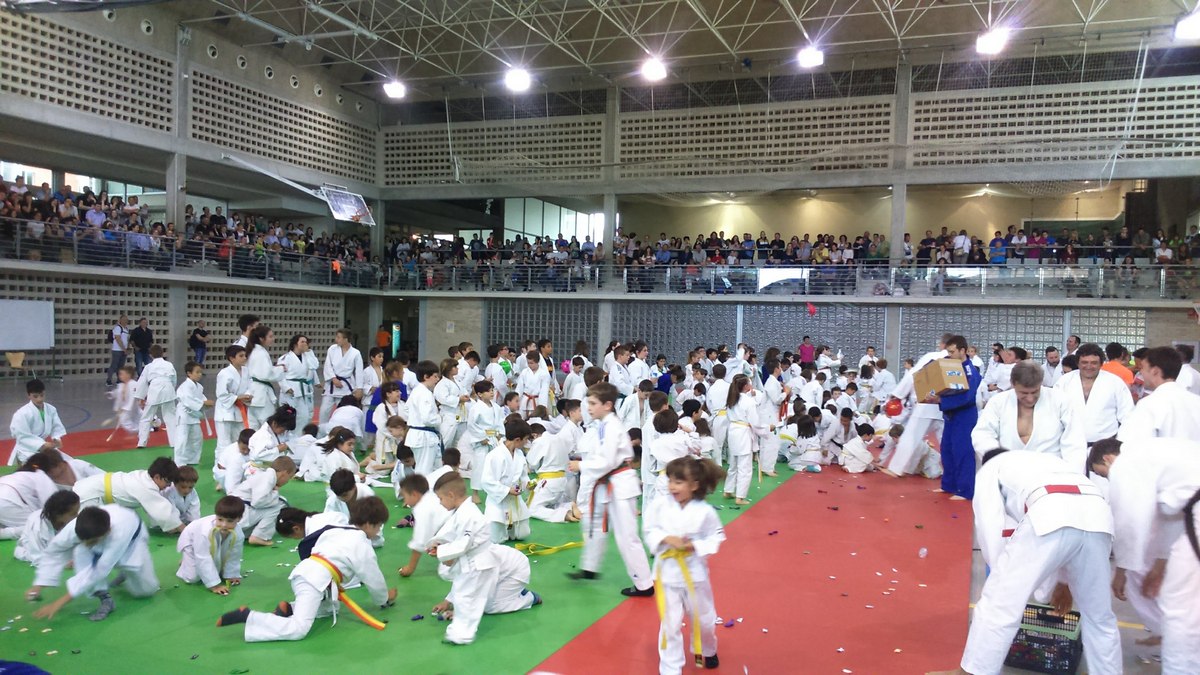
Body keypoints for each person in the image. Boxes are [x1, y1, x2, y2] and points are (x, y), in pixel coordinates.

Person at [932, 450, 1121, 675]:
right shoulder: (1046, 461)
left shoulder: (990, 470)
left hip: (1050, 510)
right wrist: (1063, 584)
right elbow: (1072, 529)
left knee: (999, 604)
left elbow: (992, 527)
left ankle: (972, 673)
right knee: (1099, 617)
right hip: (1099, 517)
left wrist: (1002, 574)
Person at [1088, 438, 1200, 673]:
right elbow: (1173, 518)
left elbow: (1129, 524)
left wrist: (1121, 572)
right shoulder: (1154, 453)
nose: (1108, 479)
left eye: (1103, 474)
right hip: (1192, 513)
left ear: (1108, 459)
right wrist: (1159, 565)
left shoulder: (1125, 464)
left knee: (1178, 609)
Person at [218, 496, 396, 640]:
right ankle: (249, 616)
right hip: (314, 580)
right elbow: (372, 577)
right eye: (379, 526)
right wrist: (384, 599)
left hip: (311, 573)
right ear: (369, 524)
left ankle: (291, 608)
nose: (378, 531)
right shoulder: (361, 543)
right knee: (298, 629)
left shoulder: (337, 529)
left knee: (330, 608)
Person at [428, 474, 541, 645]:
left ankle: (528, 598)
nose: (440, 503)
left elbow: (464, 545)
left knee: (484, 604)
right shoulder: (463, 512)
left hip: (515, 570)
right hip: (494, 566)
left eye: (440, 498)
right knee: (467, 593)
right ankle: (460, 630)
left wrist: (441, 550)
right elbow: (461, 579)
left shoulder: (470, 515)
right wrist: (448, 601)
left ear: (451, 495)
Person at [568, 382, 654, 597]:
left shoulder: (612, 426)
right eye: (588, 403)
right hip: (608, 483)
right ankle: (589, 568)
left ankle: (645, 584)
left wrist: (582, 466)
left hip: (620, 485)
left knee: (627, 536)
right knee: (594, 524)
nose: (588, 408)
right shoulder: (604, 424)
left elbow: (607, 461)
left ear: (607, 405)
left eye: (593, 403)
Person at [644, 457, 726, 673]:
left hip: (695, 574)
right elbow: (649, 529)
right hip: (667, 574)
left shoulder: (705, 511)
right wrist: (665, 538)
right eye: (671, 480)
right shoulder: (660, 505)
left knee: (704, 620)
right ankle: (671, 668)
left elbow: (716, 536)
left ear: (694, 485)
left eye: (679, 482)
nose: (672, 486)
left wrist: (694, 546)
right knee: (670, 624)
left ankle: (708, 649)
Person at [28, 504, 160, 621]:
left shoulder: (119, 533)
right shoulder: (77, 527)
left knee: (145, 591)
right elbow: (54, 550)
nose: (88, 544)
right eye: (85, 540)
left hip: (132, 541)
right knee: (81, 551)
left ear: (108, 531)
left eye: (92, 541)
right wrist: (40, 583)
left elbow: (100, 570)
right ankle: (105, 598)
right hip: (101, 536)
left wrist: (59, 602)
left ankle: (125, 571)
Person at [971, 361, 1087, 472]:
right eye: (1024, 393)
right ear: (1012, 384)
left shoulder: (1060, 400)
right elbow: (982, 434)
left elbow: (1074, 440)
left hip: (1052, 471)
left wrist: (1072, 474)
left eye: (1035, 392)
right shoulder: (998, 402)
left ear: (1041, 383)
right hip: (1008, 469)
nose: (1030, 398)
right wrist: (997, 458)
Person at [885, 334, 950, 475]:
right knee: (947, 443)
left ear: (943, 344)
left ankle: (898, 469)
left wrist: (898, 394)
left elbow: (912, 375)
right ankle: (954, 472)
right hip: (946, 407)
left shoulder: (932, 356)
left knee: (910, 436)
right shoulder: (957, 362)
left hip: (925, 404)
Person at [928, 335, 981, 499]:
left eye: (952, 352)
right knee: (947, 450)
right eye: (948, 352)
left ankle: (965, 491)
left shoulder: (970, 371)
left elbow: (967, 397)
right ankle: (949, 485)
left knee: (962, 452)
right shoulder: (950, 366)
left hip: (965, 415)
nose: (949, 355)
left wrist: (941, 400)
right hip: (951, 414)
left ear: (962, 351)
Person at [73, 456, 184, 533]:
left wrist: (173, 525)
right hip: (90, 494)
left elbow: (157, 506)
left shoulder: (144, 476)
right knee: (88, 529)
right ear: (157, 477)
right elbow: (162, 511)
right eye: (167, 481)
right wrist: (184, 529)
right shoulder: (146, 488)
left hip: (91, 487)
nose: (168, 486)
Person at [1055, 343, 1134, 446]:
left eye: (1094, 363)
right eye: (1084, 362)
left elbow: (1128, 416)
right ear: (1078, 363)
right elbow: (1053, 413)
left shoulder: (1115, 382)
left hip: (1106, 444)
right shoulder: (1064, 382)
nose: (1089, 366)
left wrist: (1121, 442)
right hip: (1069, 443)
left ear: (1101, 364)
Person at [1118, 345, 1200, 442]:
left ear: (1155, 371)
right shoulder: (1196, 401)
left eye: (1143, 368)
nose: (1141, 372)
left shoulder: (1149, 404)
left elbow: (1130, 443)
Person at [526, 399, 584, 523]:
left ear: (534, 435)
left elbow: (532, 463)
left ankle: (564, 513)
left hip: (549, 480)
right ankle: (569, 506)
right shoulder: (557, 438)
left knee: (531, 508)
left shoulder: (540, 441)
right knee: (550, 504)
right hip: (562, 478)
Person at [176, 495, 246, 594]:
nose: (224, 525)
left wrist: (231, 575)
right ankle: (186, 560)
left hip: (203, 545)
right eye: (220, 519)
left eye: (230, 521)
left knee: (218, 564)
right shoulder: (204, 531)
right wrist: (214, 585)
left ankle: (189, 560)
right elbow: (203, 557)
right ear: (216, 516)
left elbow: (234, 555)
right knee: (192, 578)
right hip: (191, 541)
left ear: (239, 519)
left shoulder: (238, 533)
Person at [480, 418, 533, 543]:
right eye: (526, 439)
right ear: (517, 440)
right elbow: (486, 481)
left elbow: (523, 476)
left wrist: (528, 484)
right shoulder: (494, 455)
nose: (527, 442)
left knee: (523, 534)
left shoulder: (519, 454)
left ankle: (511, 529)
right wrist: (507, 490)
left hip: (515, 500)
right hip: (499, 502)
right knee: (496, 539)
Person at [724, 374, 770, 505]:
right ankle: (740, 497)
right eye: (749, 383)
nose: (751, 385)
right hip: (743, 434)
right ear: (745, 386)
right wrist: (768, 428)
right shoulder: (748, 402)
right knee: (745, 467)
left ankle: (728, 490)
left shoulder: (731, 399)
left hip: (733, 431)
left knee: (733, 464)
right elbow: (755, 423)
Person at [231, 456, 297, 546]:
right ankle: (259, 536)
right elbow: (258, 502)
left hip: (238, 512)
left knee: (277, 503)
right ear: (284, 473)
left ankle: (248, 533)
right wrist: (275, 493)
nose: (287, 482)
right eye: (289, 477)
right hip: (240, 514)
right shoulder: (267, 478)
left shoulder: (264, 476)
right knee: (278, 507)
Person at [396, 474, 450, 577]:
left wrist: (410, 568)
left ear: (414, 494)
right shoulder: (432, 496)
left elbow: (420, 541)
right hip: (461, 533)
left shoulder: (422, 508)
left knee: (445, 572)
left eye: (405, 497)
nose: (405, 501)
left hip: (460, 539)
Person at [0, 452, 61, 539]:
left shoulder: (17, 475)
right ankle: (4, 533)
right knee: (42, 526)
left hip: (6, 502)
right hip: (7, 502)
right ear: (50, 468)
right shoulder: (40, 475)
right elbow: (53, 502)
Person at [8, 378, 67, 466]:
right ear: (29, 395)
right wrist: (42, 444)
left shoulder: (51, 409)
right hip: (26, 450)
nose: (39, 399)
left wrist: (56, 438)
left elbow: (56, 427)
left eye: (42, 395)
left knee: (66, 464)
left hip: (44, 449)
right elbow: (21, 436)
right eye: (35, 396)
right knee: (39, 470)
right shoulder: (21, 414)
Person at [15, 490, 80, 565]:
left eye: (77, 512)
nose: (77, 516)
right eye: (73, 514)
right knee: (24, 552)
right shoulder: (38, 529)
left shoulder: (68, 520)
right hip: (30, 543)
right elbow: (37, 557)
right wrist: (62, 562)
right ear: (58, 515)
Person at [134, 345, 178, 449]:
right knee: (171, 417)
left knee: (146, 417)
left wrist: (141, 397)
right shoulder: (169, 365)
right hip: (168, 389)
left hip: (154, 390)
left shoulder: (149, 367)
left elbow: (142, 382)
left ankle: (142, 443)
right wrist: (171, 389)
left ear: (150, 355)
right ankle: (174, 442)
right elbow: (174, 379)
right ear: (162, 353)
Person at [318, 328, 364, 425]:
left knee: (343, 412)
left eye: (339, 337)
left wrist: (359, 388)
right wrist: (333, 378)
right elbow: (328, 365)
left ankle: (342, 431)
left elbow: (359, 371)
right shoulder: (332, 349)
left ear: (346, 339)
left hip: (346, 386)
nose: (336, 339)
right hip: (331, 385)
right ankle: (322, 431)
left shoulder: (355, 353)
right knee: (324, 411)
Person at [325, 469, 382, 547]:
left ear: (354, 487)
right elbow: (328, 522)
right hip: (343, 535)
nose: (342, 498)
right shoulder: (332, 500)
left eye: (345, 495)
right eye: (338, 495)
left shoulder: (367, 495)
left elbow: (375, 521)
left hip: (367, 534)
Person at [405, 360, 443, 475]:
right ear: (426, 377)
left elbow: (406, 410)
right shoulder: (424, 393)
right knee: (424, 470)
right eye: (435, 376)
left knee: (435, 468)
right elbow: (427, 419)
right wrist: (440, 418)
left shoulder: (417, 391)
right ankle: (420, 487)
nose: (437, 379)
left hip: (419, 434)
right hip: (423, 436)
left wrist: (414, 419)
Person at [173, 361, 214, 466]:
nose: (199, 374)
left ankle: (192, 459)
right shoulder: (185, 386)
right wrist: (203, 403)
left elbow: (201, 398)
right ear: (189, 373)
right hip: (184, 416)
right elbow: (188, 400)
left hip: (194, 417)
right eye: (197, 372)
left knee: (197, 438)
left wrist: (207, 403)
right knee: (182, 440)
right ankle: (179, 462)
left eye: (201, 372)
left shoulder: (199, 386)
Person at [245, 325, 285, 430]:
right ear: (261, 338)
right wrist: (281, 369)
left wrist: (276, 369)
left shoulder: (252, 351)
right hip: (262, 395)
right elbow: (267, 374)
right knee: (267, 427)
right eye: (270, 336)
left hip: (252, 393)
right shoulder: (261, 353)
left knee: (253, 428)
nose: (273, 339)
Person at [214, 345, 252, 453]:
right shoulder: (224, 373)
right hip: (225, 411)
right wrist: (237, 397)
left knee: (238, 440)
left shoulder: (246, 371)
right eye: (241, 356)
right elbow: (221, 394)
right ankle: (220, 463)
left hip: (240, 409)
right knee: (224, 443)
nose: (244, 358)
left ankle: (237, 461)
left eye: (245, 355)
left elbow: (251, 386)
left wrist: (247, 395)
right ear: (232, 358)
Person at [278, 334, 319, 428]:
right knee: (289, 417)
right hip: (290, 391)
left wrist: (309, 352)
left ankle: (300, 435)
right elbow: (279, 375)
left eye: (306, 342)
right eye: (302, 342)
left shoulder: (307, 356)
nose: (305, 344)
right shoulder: (285, 358)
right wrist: (286, 388)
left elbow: (314, 366)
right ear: (295, 344)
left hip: (303, 391)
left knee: (304, 417)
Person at [110, 365, 140, 437]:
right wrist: (110, 394)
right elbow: (117, 393)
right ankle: (143, 429)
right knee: (137, 419)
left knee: (124, 420)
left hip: (133, 406)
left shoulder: (133, 384)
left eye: (122, 374)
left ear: (128, 375)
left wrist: (125, 408)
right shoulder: (121, 385)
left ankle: (141, 430)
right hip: (128, 407)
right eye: (120, 374)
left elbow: (133, 397)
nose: (120, 376)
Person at [105, 314, 130, 387]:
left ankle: (119, 380)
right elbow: (118, 339)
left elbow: (127, 339)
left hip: (123, 350)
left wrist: (127, 348)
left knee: (121, 366)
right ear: (120, 320)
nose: (125, 321)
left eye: (126, 320)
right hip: (117, 350)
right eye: (124, 320)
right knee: (114, 365)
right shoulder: (117, 328)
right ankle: (108, 380)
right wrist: (123, 349)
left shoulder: (126, 329)